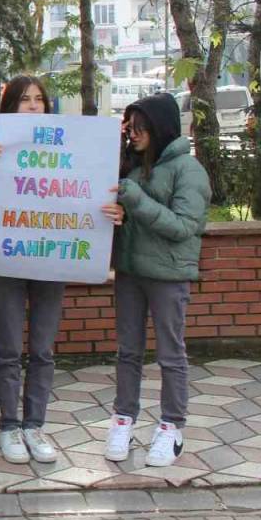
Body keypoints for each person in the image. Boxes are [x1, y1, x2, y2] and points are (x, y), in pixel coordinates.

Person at [0, 76, 124, 464]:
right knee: (7, 349)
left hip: (51, 258)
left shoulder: (69, 140)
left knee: (41, 349)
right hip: (9, 257)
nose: (34, 106)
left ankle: (34, 426)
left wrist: (110, 208)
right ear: (9, 106)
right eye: (25, 101)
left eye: (40, 99)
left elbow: (85, 189)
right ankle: (9, 426)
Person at [106, 92, 210, 467]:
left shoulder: (188, 169)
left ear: (159, 127)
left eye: (139, 127)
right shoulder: (132, 167)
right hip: (131, 272)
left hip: (168, 275)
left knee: (170, 353)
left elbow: (185, 226)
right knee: (128, 352)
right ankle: (123, 419)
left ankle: (171, 426)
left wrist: (134, 201)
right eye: (129, 127)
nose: (132, 134)